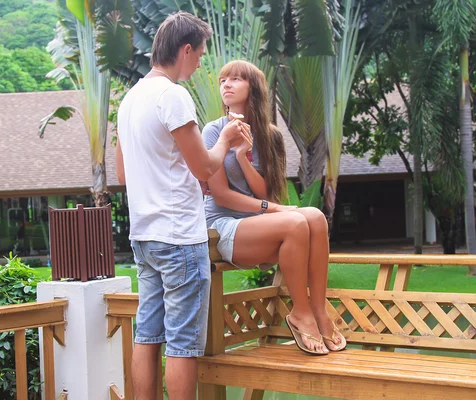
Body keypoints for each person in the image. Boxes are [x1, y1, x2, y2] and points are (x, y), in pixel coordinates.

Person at [116, 13, 253, 400]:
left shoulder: (131, 98)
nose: (201, 63)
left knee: (147, 334)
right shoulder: (172, 95)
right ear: (186, 49)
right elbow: (205, 167)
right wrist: (225, 138)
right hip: (178, 237)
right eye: (200, 54)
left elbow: (124, 174)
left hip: (144, 235)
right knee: (182, 344)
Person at [202, 60, 347, 355]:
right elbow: (222, 196)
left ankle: (319, 311)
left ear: (253, 88)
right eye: (223, 80)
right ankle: (300, 313)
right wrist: (277, 210)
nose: (226, 85)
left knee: (316, 217)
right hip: (223, 223)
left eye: (236, 79)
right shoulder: (213, 131)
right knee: (294, 222)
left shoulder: (270, 136)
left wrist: (243, 156)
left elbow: (266, 191)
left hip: (260, 221)